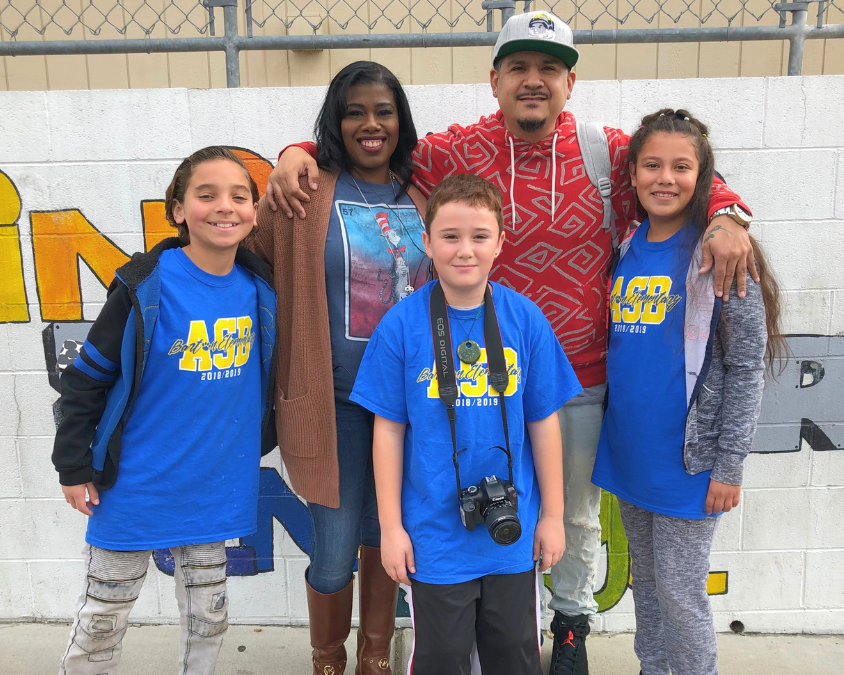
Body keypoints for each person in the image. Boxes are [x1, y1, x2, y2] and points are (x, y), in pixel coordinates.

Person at [265, 13, 755, 673]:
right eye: (519, 68)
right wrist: (298, 148)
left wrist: (725, 213)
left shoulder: (604, 149)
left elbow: (672, 167)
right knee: (454, 496)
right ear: (494, 80)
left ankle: (571, 626)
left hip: (574, 375)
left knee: (569, 518)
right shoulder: (454, 151)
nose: (533, 81)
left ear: (569, 81)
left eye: (548, 68)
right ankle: (457, 634)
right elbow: (370, 145)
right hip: (461, 373)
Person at [51, 146, 277, 675]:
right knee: (103, 620)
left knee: (209, 619)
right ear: (177, 210)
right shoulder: (143, 286)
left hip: (215, 489)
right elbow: (85, 380)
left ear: (253, 210)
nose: (225, 207)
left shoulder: (260, 287)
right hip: (134, 488)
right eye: (206, 195)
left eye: (239, 196)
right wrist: (72, 464)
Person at [350, 174, 583, 675]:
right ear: (427, 241)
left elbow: (544, 423)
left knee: (514, 657)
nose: (464, 250)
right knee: (443, 658)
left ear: (500, 241)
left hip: (512, 530)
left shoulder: (525, 319)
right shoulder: (401, 325)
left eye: (479, 236)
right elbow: (387, 432)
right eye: (450, 236)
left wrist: (553, 516)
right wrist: (391, 528)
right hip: (435, 533)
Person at [248, 61, 428, 675]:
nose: (370, 124)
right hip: (334, 403)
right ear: (335, 119)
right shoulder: (306, 188)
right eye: (355, 111)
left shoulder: (426, 190)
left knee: (387, 540)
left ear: (400, 120)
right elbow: (245, 257)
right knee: (333, 547)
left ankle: (375, 656)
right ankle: (329, 658)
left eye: (383, 111)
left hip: (412, 407)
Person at [591, 109, 784, 675]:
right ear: (631, 174)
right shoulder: (625, 246)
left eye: (681, 166)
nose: (665, 178)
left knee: (681, 594)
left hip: (691, 465)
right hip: (631, 456)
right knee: (646, 589)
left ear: (703, 177)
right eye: (652, 165)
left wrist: (729, 465)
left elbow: (747, 367)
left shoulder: (721, 252)